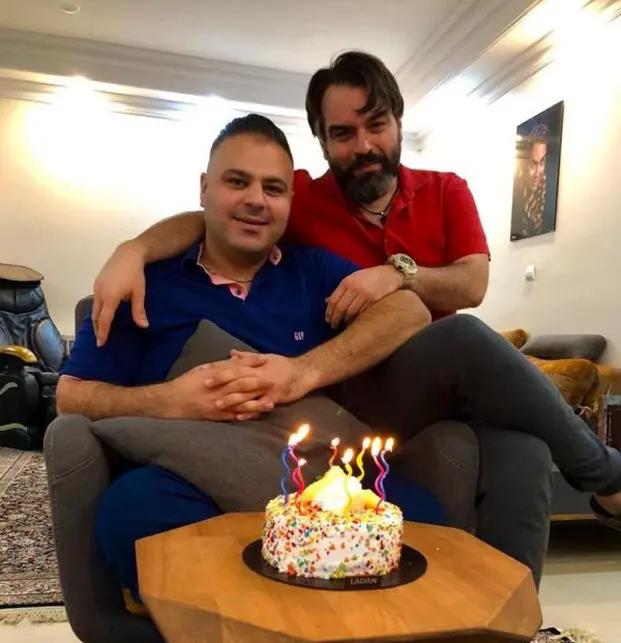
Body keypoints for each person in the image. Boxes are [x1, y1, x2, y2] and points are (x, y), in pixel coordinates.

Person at [86, 52, 621, 589]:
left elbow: (471, 285)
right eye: (342, 133)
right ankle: (609, 479)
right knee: (140, 511)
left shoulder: (445, 190)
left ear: (398, 124)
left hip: (439, 378)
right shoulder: (302, 199)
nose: (363, 145)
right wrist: (134, 250)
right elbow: (219, 215)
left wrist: (398, 274)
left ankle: (510, 610)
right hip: (357, 394)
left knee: (523, 446)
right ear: (323, 143)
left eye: (376, 124)